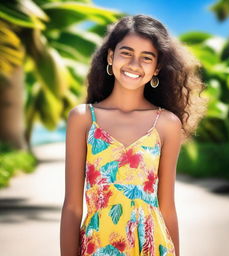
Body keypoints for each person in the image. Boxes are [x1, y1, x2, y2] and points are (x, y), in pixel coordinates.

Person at [60, 14, 207, 256]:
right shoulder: (83, 119)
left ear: (157, 67)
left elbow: (167, 207)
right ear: (110, 56)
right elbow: (73, 207)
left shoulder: (167, 124)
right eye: (126, 53)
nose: (134, 64)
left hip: (152, 246)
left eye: (146, 57)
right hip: (97, 246)